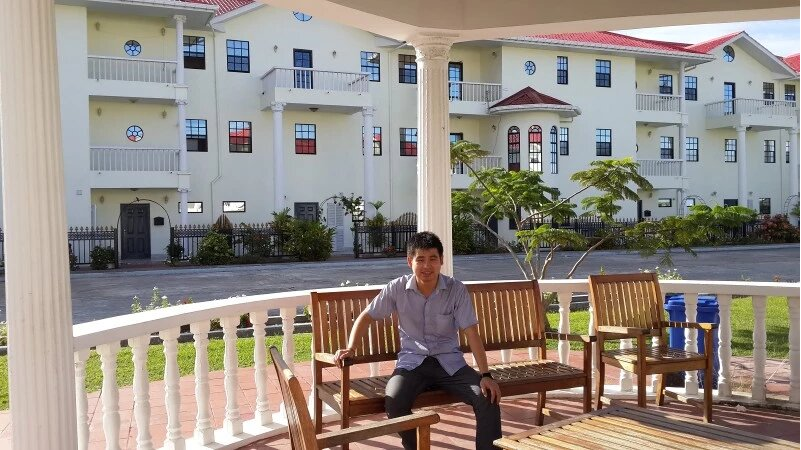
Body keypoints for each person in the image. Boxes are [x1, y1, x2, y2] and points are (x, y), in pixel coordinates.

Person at [334, 231, 502, 450]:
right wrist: (351, 347)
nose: (427, 266)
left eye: (433, 258)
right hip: (412, 364)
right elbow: (367, 316)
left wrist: (486, 375)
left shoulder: (456, 290)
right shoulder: (397, 288)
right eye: (420, 259)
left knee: (487, 397)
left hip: (450, 364)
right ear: (409, 261)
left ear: (441, 261)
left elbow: (471, 332)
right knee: (394, 402)